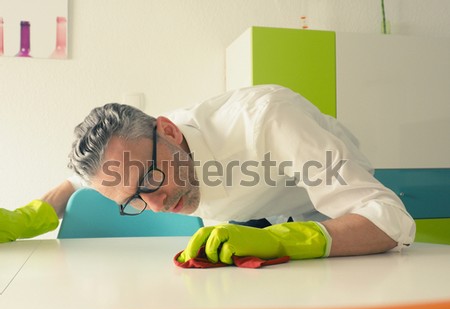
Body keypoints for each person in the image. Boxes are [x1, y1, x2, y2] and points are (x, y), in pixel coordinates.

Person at [1, 85, 415, 265]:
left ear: (170, 131)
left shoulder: (267, 120)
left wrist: (279, 240)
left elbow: (389, 220)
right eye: (135, 202)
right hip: (254, 245)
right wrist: (26, 218)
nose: (157, 205)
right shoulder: (136, 160)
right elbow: (79, 183)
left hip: (333, 227)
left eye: (151, 179)